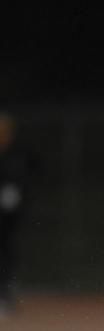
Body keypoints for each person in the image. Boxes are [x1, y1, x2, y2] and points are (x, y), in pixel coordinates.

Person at [0, 112, 32, 316]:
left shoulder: (16, 155)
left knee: (5, 253)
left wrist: (13, 192)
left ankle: (4, 296)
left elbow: (26, 178)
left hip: (7, 220)